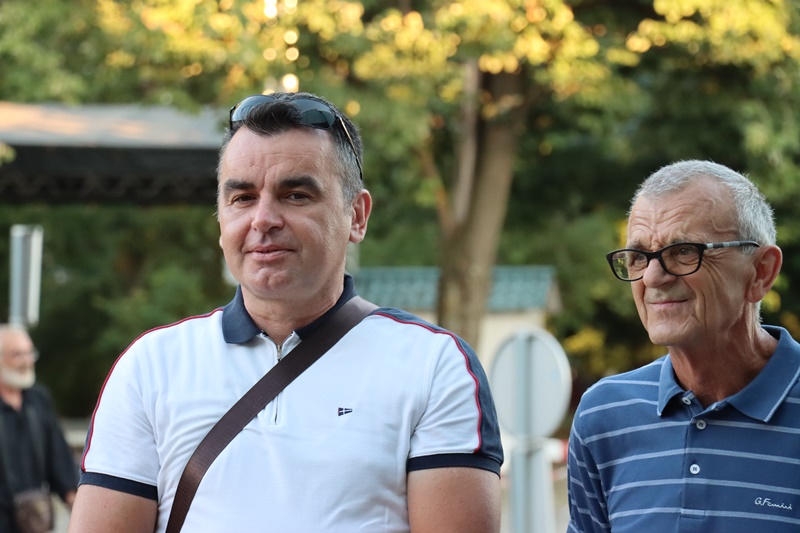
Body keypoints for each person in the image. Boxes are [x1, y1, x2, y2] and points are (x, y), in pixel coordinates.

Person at [69, 92, 503, 532]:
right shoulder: (151, 367)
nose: (263, 219)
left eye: (295, 195)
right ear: (220, 217)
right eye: (242, 198)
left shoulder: (433, 366)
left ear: (357, 216)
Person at [566, 160, 800, 532]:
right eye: (638, 257)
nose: (653, 277)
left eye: (684, 251)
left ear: (761, 272)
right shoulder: (604, 416)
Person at [0, 324, 79, 532]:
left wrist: (76, 504)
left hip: (33, 521)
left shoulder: (38, 399)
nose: (27, 361)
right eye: (17, 355)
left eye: (30, 353)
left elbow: (58, 456)